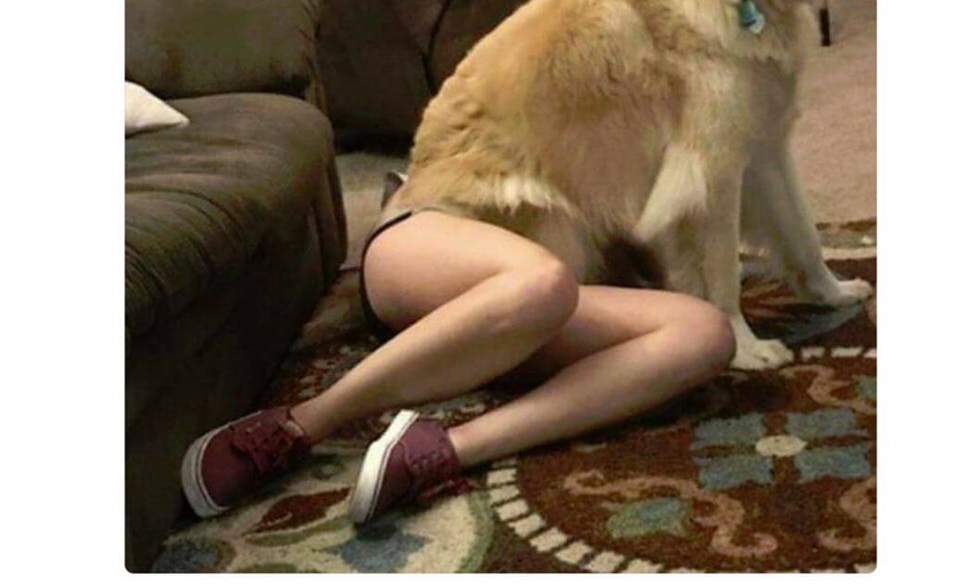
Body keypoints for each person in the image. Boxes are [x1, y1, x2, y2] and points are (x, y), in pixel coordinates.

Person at [180, 181, 736, 525]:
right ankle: (303, 423)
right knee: (543, 283)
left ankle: (445, 449)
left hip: (527, 306)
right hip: (435, 230)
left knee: (706, 332)